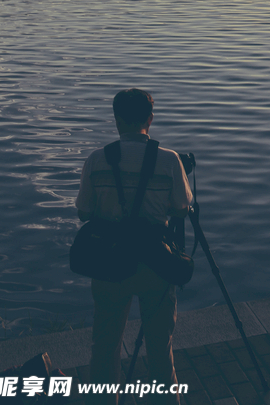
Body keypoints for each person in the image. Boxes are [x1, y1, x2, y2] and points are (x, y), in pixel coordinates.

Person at [76, 88, 193, 400]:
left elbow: (84, 212)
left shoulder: (97, 159)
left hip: (110, 263)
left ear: (116, 121)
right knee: (160, 349)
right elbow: (182, 209)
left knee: (104, 348)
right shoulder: (170, 161)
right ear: (150, 120)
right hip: (156, 263)